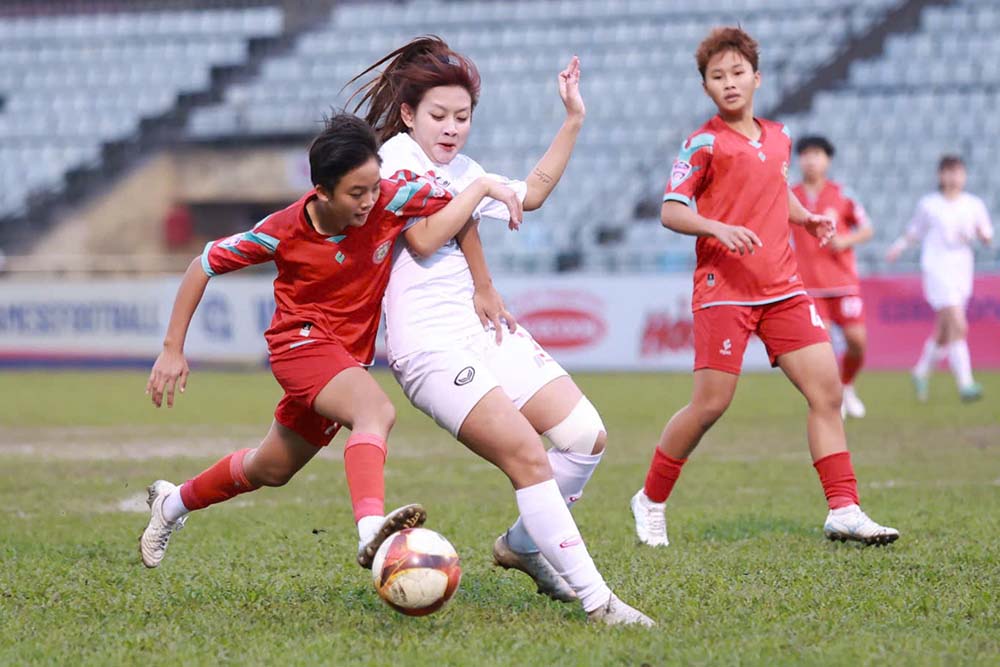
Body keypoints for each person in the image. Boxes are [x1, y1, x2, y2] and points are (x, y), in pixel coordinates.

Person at [347, 37, 653, 626]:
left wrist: (573, 119)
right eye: (439, 115)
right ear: (409, 114)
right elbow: (424, 239)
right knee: (529, 458)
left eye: (462, 117)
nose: (452, 128)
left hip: (482, 330)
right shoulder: (396, 159)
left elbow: (531, 193)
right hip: (430, 348)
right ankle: (600, 603)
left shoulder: (466, 171)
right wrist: (483, 190)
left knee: (585, 436)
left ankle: (523, 545)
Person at [139, 113, 523, 571]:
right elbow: (203, 264)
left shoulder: (394, 195)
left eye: (373, 187)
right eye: (356, 193)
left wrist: (483, 282)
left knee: (271, 468)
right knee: (375, 412)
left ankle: (171, 504)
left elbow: (461, 211)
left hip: (345, 361)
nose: (369, 201)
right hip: (298, 346)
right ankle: (372, 535)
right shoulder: (282, 230)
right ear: (322, 191)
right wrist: (172, 349)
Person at [630, 27, 899, 549]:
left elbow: (774, 188)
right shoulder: (703, 143)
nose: (729, 83)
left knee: (827, 393)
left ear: (757, 78)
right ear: (706, 87)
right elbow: (671, 210)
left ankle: (844, 508)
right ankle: (651, 499)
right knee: (710, 406)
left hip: (784, 288)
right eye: (717, 76)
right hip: (724, 289)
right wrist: (717, 228)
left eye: (737, 73)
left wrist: (806, 218)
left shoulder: (779, 136)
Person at [887, 155, 994, 402]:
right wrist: (898, 246)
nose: (954, 177)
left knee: (945, 331)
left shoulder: (973, 204)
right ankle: (965, 383)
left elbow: (987, 234)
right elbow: (915, 231)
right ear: (941, 175)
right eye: (949, 172)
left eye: (958, 172)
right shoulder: (930, 204)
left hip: (961, 269)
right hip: (937, 268)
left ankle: (920, 372)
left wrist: (983, 235)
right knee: (958, 323)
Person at [791, 136, 873, 418]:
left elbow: (867, 229)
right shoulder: (791, 196)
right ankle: (833, 398)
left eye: (817, 154)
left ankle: (847, 385)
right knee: (822, 347)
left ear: (827, 160)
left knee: (857, 341)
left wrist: (846, 240)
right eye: (805, 154)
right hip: (809, 286)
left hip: (843, 282)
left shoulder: (843, 194)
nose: (810, 160)